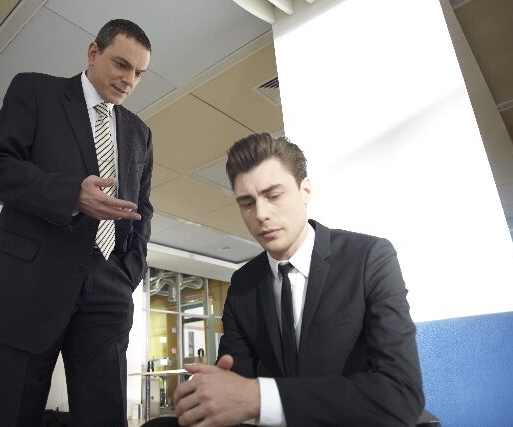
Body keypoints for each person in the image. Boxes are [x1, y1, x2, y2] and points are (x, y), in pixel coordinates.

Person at [0, 19, 153, 427]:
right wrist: (71, 194)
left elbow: (144, 208)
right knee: (11, 414)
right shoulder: (35, 91)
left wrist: (130, 270)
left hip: (109, 287)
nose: (129, 80)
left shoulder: (140, 132)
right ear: (93, 52)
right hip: (31, 283)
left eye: (139, 73)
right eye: (121, 64)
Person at [171, 133, 424, 426]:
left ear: (305, 190)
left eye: (274, 196)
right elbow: (235, 381)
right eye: (247, 203)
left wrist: (258, 398)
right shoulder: (243, 284)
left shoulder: (369, 257)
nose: (261, 214)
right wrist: (207, 397)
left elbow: (400, 393)